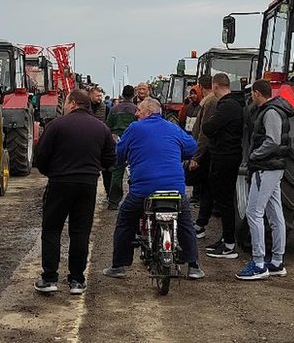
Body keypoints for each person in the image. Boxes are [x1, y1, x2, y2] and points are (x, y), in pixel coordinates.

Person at [102, 98, 205, 280]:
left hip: (143, 190)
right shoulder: (172, 128)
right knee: (185, 223)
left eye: (139, 110)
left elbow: (119, 154)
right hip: (174, 189)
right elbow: (192, 148)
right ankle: (194, 266)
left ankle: (118, 266)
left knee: (125, 220)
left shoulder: (134, 129)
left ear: (148, 112)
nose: (136, 113)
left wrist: (116, 162)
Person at [33, 90, 116, 295]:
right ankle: (77, 280)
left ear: (72, 104)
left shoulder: (57, 125)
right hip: (87, 185)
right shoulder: (101, 128)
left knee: (52, 229)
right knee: (80, 232)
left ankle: (50, 278)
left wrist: (51, 172)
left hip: (60, 182)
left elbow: (41, 156)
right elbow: (110, 159)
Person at [235, 79, 294, 280]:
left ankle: (259, 263)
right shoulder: (277, 109)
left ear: (257, 93)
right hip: (274, 168)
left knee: (254, 212)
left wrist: (254, 155)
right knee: (275, 213)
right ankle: (277, 261)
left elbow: (272, 141)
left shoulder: (270, 112)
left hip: (265, 168)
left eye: (253, 93)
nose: (252, 96)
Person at [202, 73, 245, 259]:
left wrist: (210, 123)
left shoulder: (227, 106)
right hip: (228, 155)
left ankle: (229, 245)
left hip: (225, 156)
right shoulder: (235, 104)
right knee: (223, 199)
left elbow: (209, 128)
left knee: (225, 200)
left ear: (215, 86)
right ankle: (226, 239)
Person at [105, 85, 138, 209]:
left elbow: (108, 126)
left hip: (117, 142)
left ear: (122, 95)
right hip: (133, 143)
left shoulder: (114, 109)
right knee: (134, 172)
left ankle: (113, 202)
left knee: (117, 173)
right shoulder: (136, 109)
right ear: (133, 95)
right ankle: (134, 200)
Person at [189, 75, 216, 221]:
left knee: (206, 187)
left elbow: (204, 132)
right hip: (203, 149)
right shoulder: (207, 102)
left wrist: (197, 156)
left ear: (200, 87)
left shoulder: (210, 102)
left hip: (205, 152)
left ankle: (201, 222)